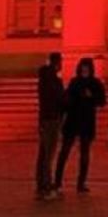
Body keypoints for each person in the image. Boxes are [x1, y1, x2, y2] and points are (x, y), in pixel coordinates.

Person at [54, 56, 106, 194]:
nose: (84, 71)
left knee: (84, 154)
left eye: (87, 69)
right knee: (64, 152)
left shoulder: (95, 83)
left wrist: (92, 97)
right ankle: (57, 182)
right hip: (73, 120)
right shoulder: (74, 82)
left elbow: (102, 101)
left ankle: (81, 183)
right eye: (82, 68)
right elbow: (66, 100)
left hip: (87, 122)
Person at [35, 52, 65, 200]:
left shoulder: (42, 81)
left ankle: (41, 184)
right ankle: (46, 186)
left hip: (44, 119)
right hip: (52, 119)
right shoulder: (55, 81)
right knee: (48, 155)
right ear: (57, 63)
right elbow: (60, 100)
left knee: (43, 154)